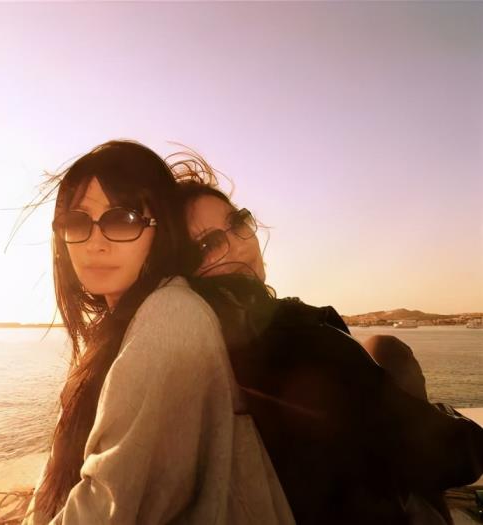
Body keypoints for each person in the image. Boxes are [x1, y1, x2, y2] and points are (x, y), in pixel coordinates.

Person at [172, 159, 483, 525]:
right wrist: (449, 416)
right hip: (372, 509)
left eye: (238, 222)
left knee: (384, 348)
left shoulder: (208, 340)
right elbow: (449, 457)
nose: (242, 245)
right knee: (391, 352)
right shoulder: (298, 343)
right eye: (209, 243)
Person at [22, 140, 294, 524]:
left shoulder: (172, 315)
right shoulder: (110, 333)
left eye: (122, 220)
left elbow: (109, 509)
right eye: (77, 222)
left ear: (160, 229)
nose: (95, 244)